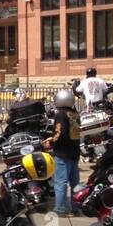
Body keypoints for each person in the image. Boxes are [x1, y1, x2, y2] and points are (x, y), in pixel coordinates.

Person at [43, 88, 82, 217]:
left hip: (63, 153)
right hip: (74, 152)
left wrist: (51, 143)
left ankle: (60, 208)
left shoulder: (61, 115)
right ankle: (76, 206)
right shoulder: (75, 114)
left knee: (60, 182)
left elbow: (60, 134)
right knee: (75, 182)